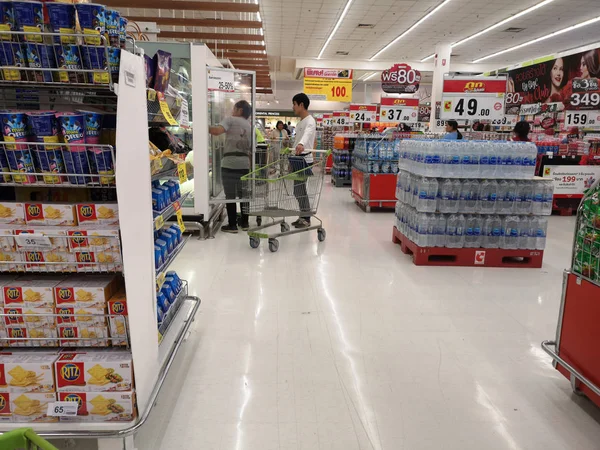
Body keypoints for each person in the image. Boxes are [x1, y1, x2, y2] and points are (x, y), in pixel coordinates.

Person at [209, 100, 252, 233]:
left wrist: (202, 125)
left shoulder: (230, 120)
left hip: (229, 163)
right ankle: (245, 223)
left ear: (239, 110)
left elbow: (217, 131)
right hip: (245, 163)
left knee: (230, 195)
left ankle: (232, 224)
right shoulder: (250, 125)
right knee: (244, 194)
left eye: (234, 109)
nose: (232, 111)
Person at [291, 93, 316, 229]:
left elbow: (307, 134)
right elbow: (297, 139)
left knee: (300, 190)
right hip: (297, 159)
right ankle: (302, 216)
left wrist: (301, 144)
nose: (293, 107)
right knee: (297, 190)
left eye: (294, 104)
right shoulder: (300, 122)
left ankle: (306, 218)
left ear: (301, 105)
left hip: (305, 160)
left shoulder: (310, 121)